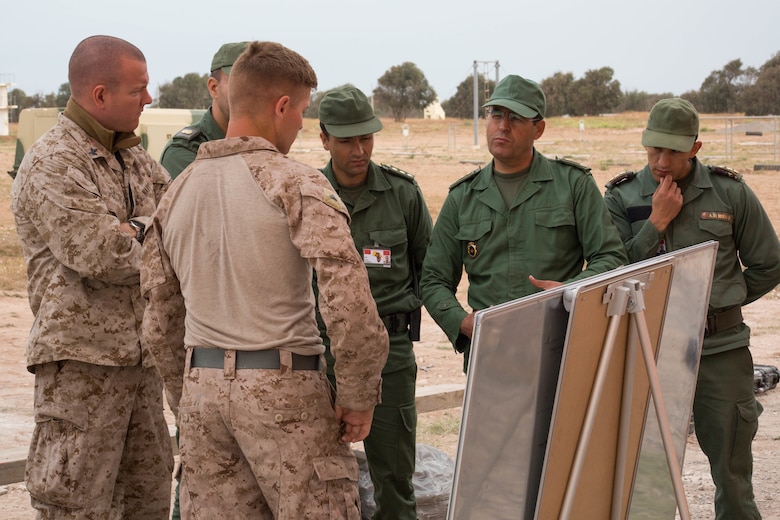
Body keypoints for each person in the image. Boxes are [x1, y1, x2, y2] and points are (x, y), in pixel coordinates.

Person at [140, 41, 389, 518]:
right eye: (300, 111)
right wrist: (358, 395)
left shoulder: (176, 193)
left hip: (202, 393)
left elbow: (159, 319)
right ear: (281, 106)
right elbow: (348, 300)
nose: (300, 125)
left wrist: (185, 394)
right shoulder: (294, 182)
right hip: (284, 391)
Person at [10, 35, 174, 518]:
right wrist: (146, 231)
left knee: (147, 502)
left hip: (142, 367)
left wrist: (137, 228)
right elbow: (107, 252)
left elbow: (182, 225)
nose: (149, 99)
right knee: (76, 506)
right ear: (100, 95)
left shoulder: (133, 157)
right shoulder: (54, 161)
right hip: (81, 372)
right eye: (138, 90)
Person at [604, 97, 780, 520]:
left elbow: (769, 264)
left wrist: (720, 301)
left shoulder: (730, 191)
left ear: (695, 149)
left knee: (733, 472)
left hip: (720, 350)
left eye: (673, 151)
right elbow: (610, 272)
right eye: (653, 150)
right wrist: (656, 223)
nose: (661, 161)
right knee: (643, 474)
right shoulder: (621, 196)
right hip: (651, 350)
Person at [420, 74, 628, 373]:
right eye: (496, 114)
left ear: (538, 129)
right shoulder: (463, 197)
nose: (503, 126)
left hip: (561, 350)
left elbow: (610, 256)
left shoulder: (573, 185)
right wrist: (462, 322)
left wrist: (568, 292)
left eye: (516, 118)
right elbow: (433, 279)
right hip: (491, 355)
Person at [316, 85, 433, 520]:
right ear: (324, 138)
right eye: (347, 140)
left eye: (366, 137)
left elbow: (429, 266)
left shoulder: (402, 194)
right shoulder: (308, 193)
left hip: (390, 354)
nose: (359, 149)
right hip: (320, 355)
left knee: (395, 477)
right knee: (318, 475)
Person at [159, 41, 249, 178]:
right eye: (239, 83)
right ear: (214, 88)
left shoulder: (266, 142)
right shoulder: (185, 151)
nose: (250, 93)